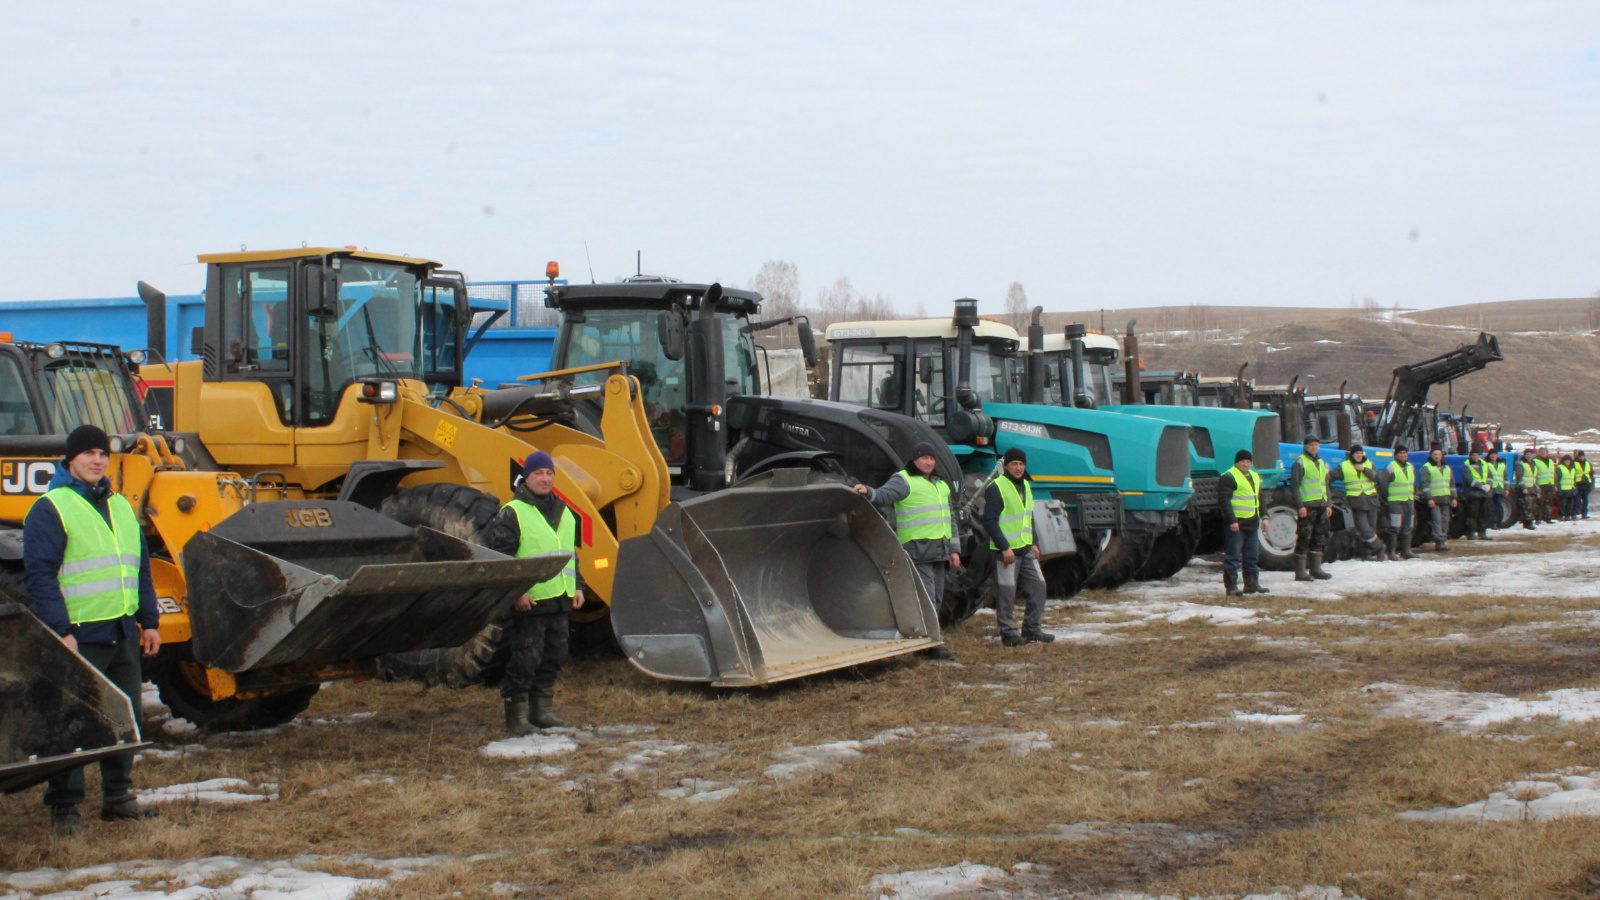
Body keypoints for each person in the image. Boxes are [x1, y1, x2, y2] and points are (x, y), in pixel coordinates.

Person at [23, 425, 161, 836]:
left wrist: (149, 621)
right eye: (88, 454)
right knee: (71, 723)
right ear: (70, 461)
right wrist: (59, 630)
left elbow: (141, 567)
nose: (97, 460)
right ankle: (65, 806)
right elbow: (41, 577)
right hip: (79, 635)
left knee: (126, 718)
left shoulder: (120, 505)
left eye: (102, 453)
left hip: (121, 632)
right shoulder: (51, 508)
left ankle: (118, 796)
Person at [484, 451, 585, 735]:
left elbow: (571, 554)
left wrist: (578, 586)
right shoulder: (512, 512)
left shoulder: (564, 511)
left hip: (559, 598)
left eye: (549, 473)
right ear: (526, 478)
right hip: (529, 602)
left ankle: (542, 712)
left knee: (554, 655)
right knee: (525, 658)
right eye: (538, 473)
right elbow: (502, 558)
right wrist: (516, 593)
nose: (545, 478)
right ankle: (516, 715)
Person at [856, 441, 963, 658]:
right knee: (928, 598)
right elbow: (883, 496)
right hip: (917, 549)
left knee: (938, 597)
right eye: (924, 458)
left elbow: (949, 519)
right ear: (915, 460)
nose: (929, 462)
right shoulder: (903, 480)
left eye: (932, 458)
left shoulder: (940, 485)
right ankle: (932, 644)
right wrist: (868, 491)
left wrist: (954, 549)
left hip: (939, 550)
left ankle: (926, 641)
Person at [981, 448, 1053, 646]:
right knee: (1007, 592)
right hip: (1006, 553)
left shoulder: (1026, 486)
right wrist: (1004, 547)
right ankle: (1008, 633)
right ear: (1006, 466)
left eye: (1021, 464)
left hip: (1025, 549)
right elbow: (989, 521)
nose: (1019, 468)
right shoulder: (997, 487)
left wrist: (1034, 543)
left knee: (1038, 587)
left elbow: (1027, 518)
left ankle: (1032, 629)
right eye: (1014, 464)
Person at [1218, 449, 1269, 597]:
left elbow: (1259, 498)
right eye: (1243, 461)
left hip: (1252, 522)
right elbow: (1224, 501)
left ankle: (1252, 584)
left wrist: (1265, 516)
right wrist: (1231, 521)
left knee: (1252, 555)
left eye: (1248, 462)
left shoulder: (1254, 476)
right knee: (1233, 555)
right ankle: (1231, 586)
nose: (1246, 464)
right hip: (1237, 524)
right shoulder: (1228, 477)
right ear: (1237, 462)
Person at [1289, 436, 1333, 582]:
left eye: (1316, 445)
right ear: (1305, 446)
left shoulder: (1321, 463)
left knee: (1318, 537)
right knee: (1304, 537)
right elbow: (1295, 486)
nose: (1314, 447)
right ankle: (1300, 572)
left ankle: (1316, 569)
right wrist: (1300, 505)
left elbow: (1325, 485)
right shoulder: (1300, 463)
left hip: (1321, 505)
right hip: (1307, 506)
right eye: (1311, 445)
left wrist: (1328, 504)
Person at [1333, 444, 1384, 560]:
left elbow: (1378, 478)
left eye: (1361, 453)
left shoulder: (1368, 464)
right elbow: (1331, 476)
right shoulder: (1344, 466)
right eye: (1357, 453)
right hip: (1357, 502)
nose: (1359, 455)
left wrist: (1365, 470)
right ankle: (1380, 547)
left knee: (1371, 528)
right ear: (1352, 454)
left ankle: (1366, 553)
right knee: (1365, 529)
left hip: (1371, 501)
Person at [1418, 446, 1457, 551]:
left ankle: (1443, 539)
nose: (1437, 456)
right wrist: (1429, 498)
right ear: (1431, 456)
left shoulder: (1446, 468)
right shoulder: (1426, 468)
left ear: (1442, 456)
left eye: (1439, 454)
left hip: (1445, 498)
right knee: (1437, 520)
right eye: (1435, 454)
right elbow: (1424, 485)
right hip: (1434, 499)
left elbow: (1451, 484)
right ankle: (1439, 542)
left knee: (1445, 520)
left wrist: (1454, 498)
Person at [1382, 445, 1417, 559]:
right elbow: (1383, 485)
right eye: (1400, 453)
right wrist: (1387, 500)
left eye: (1405, 453)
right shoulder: (1390, 467)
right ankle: (1391, 552)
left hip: (1408, 501)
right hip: (1395, 502)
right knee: (1395, 527)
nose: (1403, 455)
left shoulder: (1410, 467)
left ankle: (1406, 551)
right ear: (1396, 455)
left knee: (1408, 526)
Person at [1461, 448, 1493, 541]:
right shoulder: (1467, 466)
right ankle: (1471, 533)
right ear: (1470, 456)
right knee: (1472, 514)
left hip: (1485, 494)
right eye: (1473, 455)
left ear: (1480, 455)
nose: (1475, 457)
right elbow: (1468, 479)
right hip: (1473, 494)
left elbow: (1490, 476)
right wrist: (1481, 486)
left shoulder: (1485, 464)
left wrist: (1488, 484)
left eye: (1477, 455)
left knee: (1484, 514)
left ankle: (1482, 532)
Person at [1514, 450, 1539, 531]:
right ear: (1524, 455)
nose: (1529, 456)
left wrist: (1537, 490)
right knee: (1527, 506)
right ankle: (1527, 523)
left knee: (1532, 506)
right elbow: (1519, 477)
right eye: (1527, 454)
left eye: (1530, 454)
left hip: (1532, 488)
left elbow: (1534, 477)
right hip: (1525, 489)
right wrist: (1523, 488)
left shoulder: (1533, 464)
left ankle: (1530, 521)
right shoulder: (1520, 464)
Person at [1486, 448, 1508, 530]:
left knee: (1497, 506)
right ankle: (1489, 522)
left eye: (1494, 454)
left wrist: (1506, 488)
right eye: (1491, 454)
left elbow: (1505, 477)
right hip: (1490, 488)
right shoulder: (1486, 464)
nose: (1493, 455)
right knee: (1489, 506)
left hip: (1499, 488)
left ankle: (1495, 523)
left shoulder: (1502, 465)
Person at [1535, 447, 1557, 524]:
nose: (1543, 453)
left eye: (1544, 452)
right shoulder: (1535, 461)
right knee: (1540, 502)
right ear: (1539, 453)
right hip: (1541, 484)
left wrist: (1554, 484)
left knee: (1549, 502)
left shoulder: (1550, 461)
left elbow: (1553, 473)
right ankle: (1538, 518)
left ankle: (1547, 517)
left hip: (1550, 484)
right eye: (1541, 452)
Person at [1557, 453, 1577, 521]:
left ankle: (1568, 515)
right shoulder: (1560, 468)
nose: (1567, 462)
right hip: (1563, 489)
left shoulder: (1573, 469)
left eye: (1569, 460)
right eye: (1566, 460)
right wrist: (1558, 488)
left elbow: (1574, 479)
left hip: (1571, 489)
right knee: (1562, 504)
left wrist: (1575, 488)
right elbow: (1557, 479)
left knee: (1570, 504)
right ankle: (1561, 516)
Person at [1577, 450, 1593, 519]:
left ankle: (1584, 513)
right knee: (1577, 501)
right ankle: (1575, 514)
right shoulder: (1575, 463)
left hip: (1586, 484)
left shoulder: (1588, 463)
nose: (1582, 457)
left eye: (1583, 456)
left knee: (1585, 500)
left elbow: (1591, 474)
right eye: (1580, 456)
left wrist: (1591, 484)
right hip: (1578, 484)